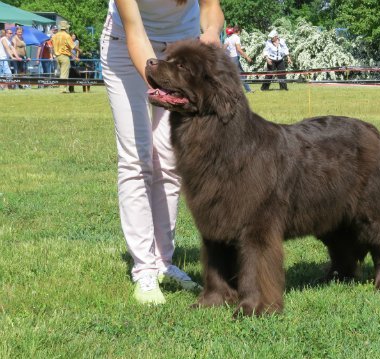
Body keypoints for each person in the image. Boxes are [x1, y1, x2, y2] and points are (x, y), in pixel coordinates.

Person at [100, 0, 224, 305]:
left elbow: (211, 7)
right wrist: (164, 86)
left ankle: (164, 262)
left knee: (169, 161)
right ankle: (144, 268)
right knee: (136, 158)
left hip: (179, 48)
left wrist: (210, 31)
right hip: (126, 48)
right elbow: (136, 33)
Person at [223, 25, 252, 93]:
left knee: (240, 73)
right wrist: (247, 57)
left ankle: (248, 89)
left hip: (228, 58)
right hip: (234, 58)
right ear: (238, 31)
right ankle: (232, 91)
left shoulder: (227, 38)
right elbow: (238, 49)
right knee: (238, 74)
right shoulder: (236, 37)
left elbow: (223, 48)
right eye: (240, 32)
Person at [51, 21, 75, 93]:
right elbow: (72, 46)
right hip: (64, 56)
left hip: (57, 56)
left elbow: (52, 46)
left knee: (60, 73)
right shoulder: (67, 36)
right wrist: (79, 50)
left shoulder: (55, 36)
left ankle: (61, 87)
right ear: (66, 28)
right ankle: (63, 89)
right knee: (64, 73)